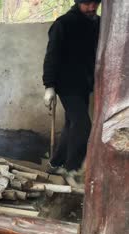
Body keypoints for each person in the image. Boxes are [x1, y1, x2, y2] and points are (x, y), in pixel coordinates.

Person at [42, 0, 101, 177]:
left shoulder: (98, 23)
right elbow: (52, 55)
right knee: (83, 125)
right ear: (78, 3)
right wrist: (49, 85)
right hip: (66, 83)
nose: (92, 8)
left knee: (72, 124)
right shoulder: (63, 24)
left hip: (85, 83)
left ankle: (55, 163)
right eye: (87, 4)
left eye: (95, 3)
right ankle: (71, 169)